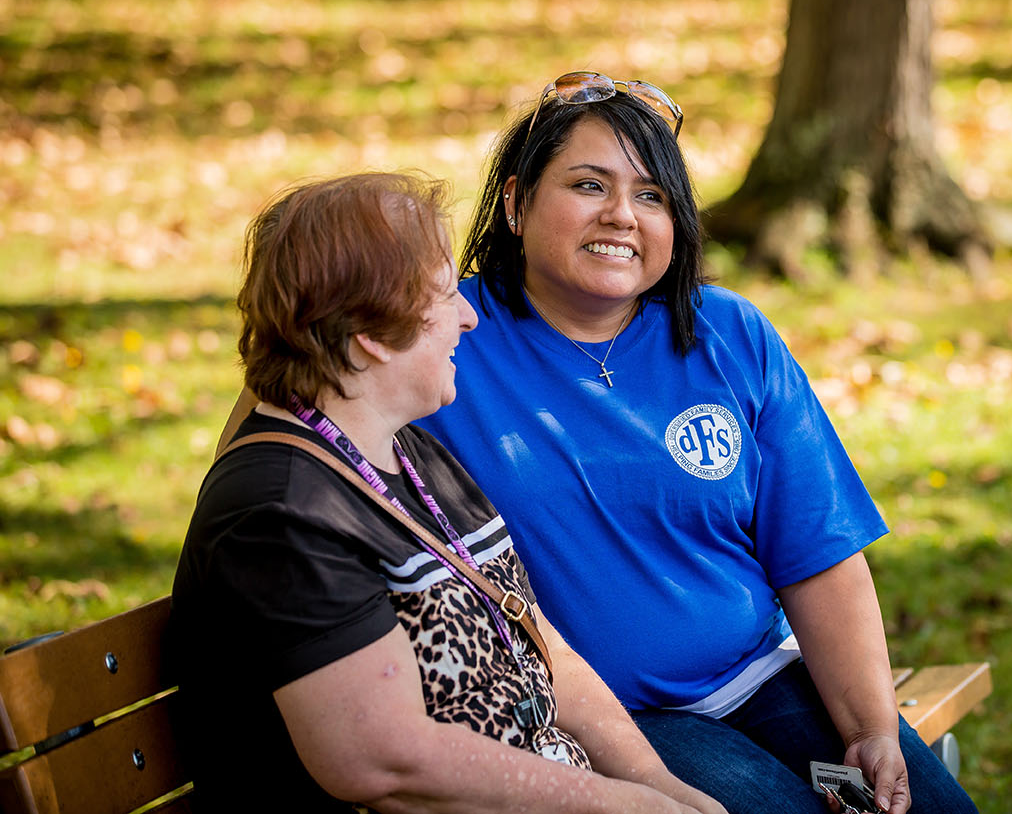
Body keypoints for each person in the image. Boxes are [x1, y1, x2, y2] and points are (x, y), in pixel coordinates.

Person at [415, 72, 980, 814]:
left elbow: (818, 557)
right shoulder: (447, 332)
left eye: (651, 196)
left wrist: (872, 726)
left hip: (759, 674)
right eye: (590, 185)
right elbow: (297, 382)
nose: (622, 215)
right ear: (517, 203)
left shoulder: (728, 333)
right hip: (606, 719)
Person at [171, 172, 725, 814]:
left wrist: (663, 790)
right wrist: (625, 808)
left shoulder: (406, 454)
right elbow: (386, 763)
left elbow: (539, 644)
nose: (468, 315)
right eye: (442, 293)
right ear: (370, 333)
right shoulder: (281, 512)